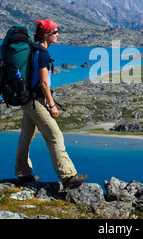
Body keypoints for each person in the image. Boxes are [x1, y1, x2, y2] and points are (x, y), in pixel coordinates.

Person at [14, 19, 88, 189]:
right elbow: (44, 83)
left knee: (26, 138)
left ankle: (23, 173)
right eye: (54, 32)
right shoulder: (43, 54)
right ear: (45, 34)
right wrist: (52, 105)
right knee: (55, 136)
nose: (57, 34)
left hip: (27, 100)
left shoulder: (33, 49)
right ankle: (68, 176)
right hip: (36, 102)